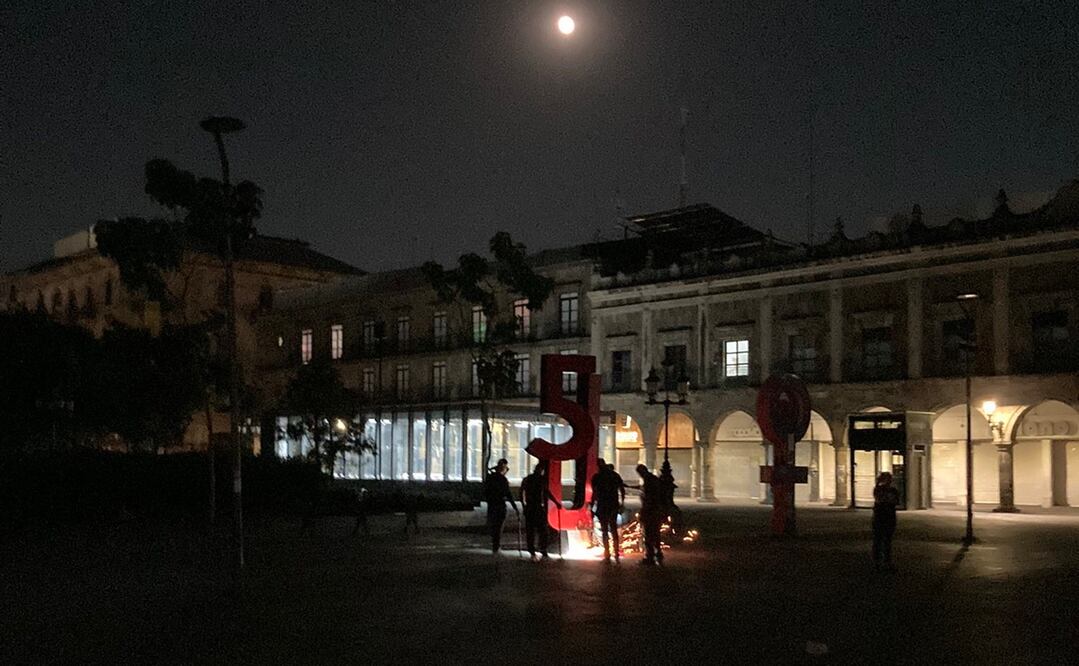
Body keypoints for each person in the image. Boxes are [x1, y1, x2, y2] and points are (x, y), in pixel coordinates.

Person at [590, 458, 626, 560]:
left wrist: (592, 506)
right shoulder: (614, 475)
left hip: (602, 505)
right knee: (613, 529)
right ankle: (616, 553)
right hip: (613, 504)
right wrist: (622, 503)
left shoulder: (597, 477)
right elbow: (622, 489)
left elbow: (594, 493)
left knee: (605, 530)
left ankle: (607, 553)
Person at [520, 462, 557, 560]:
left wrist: (524, 505)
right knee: (542, 530)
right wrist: (556, 502)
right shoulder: (541, 480)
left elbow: (521, 492)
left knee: (531, 530)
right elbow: (546, 492)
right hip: (537, 507)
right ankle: (543, 549)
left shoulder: (527, 479)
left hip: (530, 507)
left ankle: (532, 550)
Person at [484, 458, 518, 554]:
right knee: (499, 526)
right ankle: (496, 546)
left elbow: (486, 491)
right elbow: (508, 494)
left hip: (492, 504)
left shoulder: (490, 478)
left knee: (494, 525)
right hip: (500, 505)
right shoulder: (502, 479)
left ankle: (495, 545)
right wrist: (514, 506)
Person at [636, 464, 665, 565]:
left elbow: (648, 498)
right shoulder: (653, 479)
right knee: (656, 533)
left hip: (650, 511)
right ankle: (658, 553)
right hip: (656, 510)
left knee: (648, 534)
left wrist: (643, 511)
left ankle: (650, 556)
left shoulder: (648, 480)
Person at [872, 471, 900, 571]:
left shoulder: (881, 490)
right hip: (886, 516)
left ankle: (880, 561)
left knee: (880, 540)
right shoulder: (889, 490)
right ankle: (883, 561)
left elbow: (893, 501)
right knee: (884, 540)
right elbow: (895, 501)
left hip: (882, 516)